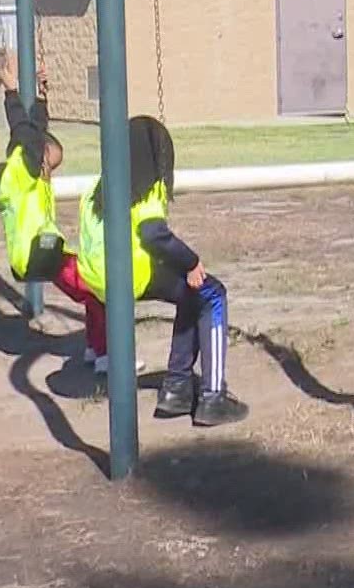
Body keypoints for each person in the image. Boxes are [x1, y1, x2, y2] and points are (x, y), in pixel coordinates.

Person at [77, 116, 249, 426]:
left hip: (97, 278)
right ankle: (213, 396)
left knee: (191, 293)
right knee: (213, 294)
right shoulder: (143, 185)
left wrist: (182, 269)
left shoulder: (95, 189)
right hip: (132, 274)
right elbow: (153, 234)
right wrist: (191, 261)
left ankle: (177, 390)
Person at [0, 48, 120, 373]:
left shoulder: (25, 175)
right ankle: (108, 356)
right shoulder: (21, 170)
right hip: (40, 253)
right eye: (53, 159)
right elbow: (24, 131)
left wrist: (42, 98)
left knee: (92, 292)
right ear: (40, 156)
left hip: (34, 256)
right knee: (102, 288)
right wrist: (11, 88)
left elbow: (34, 132)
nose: (53, 167)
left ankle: (94, 349)